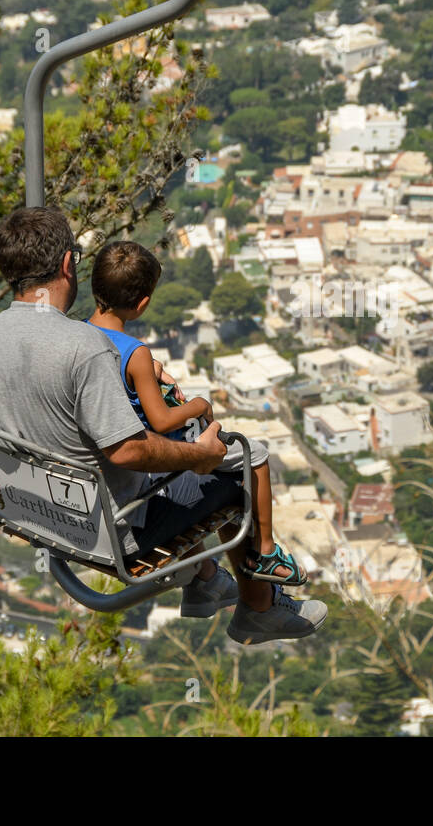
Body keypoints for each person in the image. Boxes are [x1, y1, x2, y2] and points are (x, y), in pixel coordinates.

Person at [0, 207, 326, 643]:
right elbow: (129, 452)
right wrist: (200, 456)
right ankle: (259, 609)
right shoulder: (86, 347)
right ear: (67, 264)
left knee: (182, 457)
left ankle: (206, 578)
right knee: (238, 466)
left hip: (32, 510)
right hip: (111, 531)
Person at [85, 239, 308, 586]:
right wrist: (199, 405)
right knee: (256, 456)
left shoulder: (83, 335)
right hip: (159, 452)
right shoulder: (136, 353)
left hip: (109, 482)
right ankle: (265, 552)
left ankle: (206, 581)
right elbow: (160, 420)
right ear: (142, 304)